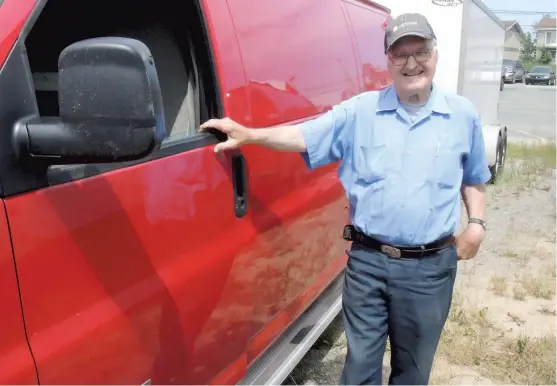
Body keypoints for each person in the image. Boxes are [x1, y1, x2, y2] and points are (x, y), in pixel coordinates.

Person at [199, 12, 490, 385]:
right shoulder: (360, 111)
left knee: (413, 372)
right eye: (401, 55)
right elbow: (304, 136)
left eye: (420, 52)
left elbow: (474, 179)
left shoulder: (461, 116)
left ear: (435, 55)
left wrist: (477, 225)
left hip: (428, 270)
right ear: (388, 61)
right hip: (368, 264)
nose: (411, 63)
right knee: (357, 372)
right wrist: (250, 134)